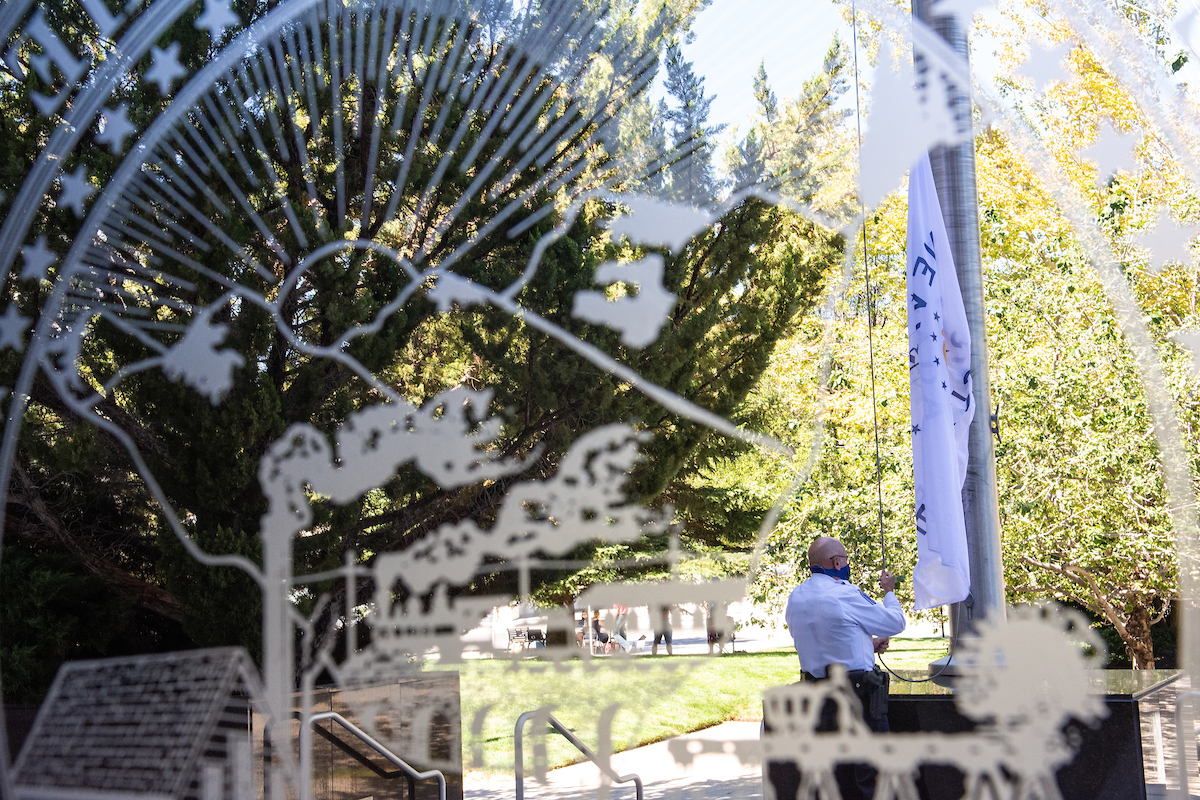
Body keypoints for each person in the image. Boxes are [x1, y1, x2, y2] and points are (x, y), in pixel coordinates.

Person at [783, 536, 906, 799]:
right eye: (846, 560)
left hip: (818, 696)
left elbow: (821, 638)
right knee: (872, 773)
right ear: (836, 562)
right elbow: (895, 622)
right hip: (857, 695)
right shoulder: (844, 593)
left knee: (834, 776)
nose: (847, 565)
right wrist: (889, 592)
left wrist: (865, 646)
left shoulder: (796, 597)